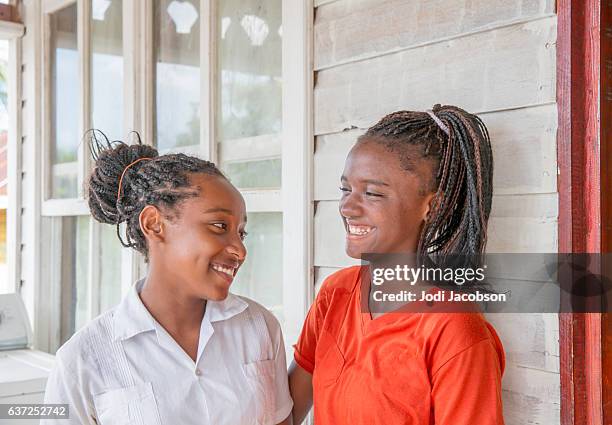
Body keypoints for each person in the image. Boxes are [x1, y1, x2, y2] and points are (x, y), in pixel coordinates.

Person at [42, 131, 293, 425]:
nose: (239, 249)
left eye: (241, 232)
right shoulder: (82, 360)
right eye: (218, 225)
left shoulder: (259, 327)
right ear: (154, 224)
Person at [289, 105, 505, 424]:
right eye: (345, 189)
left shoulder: (453, 327)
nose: (347, 207)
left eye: (372, 193)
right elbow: (284, 410)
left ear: (433, 205)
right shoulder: (336, 293)